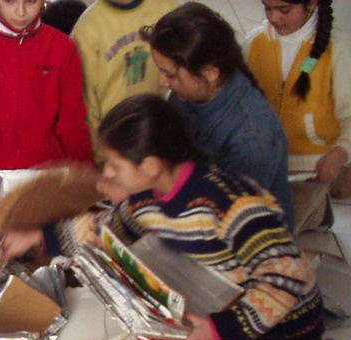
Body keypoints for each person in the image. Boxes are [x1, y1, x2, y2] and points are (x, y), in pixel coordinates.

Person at [6, 94, 344, 340]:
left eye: (115, 166)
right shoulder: (148, 196)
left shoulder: (231, 205)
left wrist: (218, 330)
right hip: (214, 311)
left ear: (151, 165)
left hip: (277, 330)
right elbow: (105, 228)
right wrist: (37, 236)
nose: (107, 176)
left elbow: (286, 279)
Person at [141, 2, 296, 232]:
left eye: (170, 74)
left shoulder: (250, 137)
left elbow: (229, 220)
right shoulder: (186, 93)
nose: (163, 83)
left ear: (211, 72)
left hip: (244, 233)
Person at [0, 0, 93, 252]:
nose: (20, 12)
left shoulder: (62, 48)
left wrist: (84, 188)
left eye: (30, 1)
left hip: (47, 193)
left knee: (49, 271)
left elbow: (73, 127)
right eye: (10, 1)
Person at [244, 0, 351, 232]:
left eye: (284, 10)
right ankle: (317, 206)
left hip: (313, 166)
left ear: (311, 4)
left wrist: (340, 153)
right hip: (264, 161)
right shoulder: (254, 42)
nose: (274, 18)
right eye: (267, 7)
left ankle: (319, 207)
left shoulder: (338, 47)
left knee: (274, 231)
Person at [70, 0, 180, 166]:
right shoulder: (86, 29)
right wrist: (103, 159)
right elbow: (85, 106)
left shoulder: (168, 7)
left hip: (161, 137)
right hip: (114, 151)